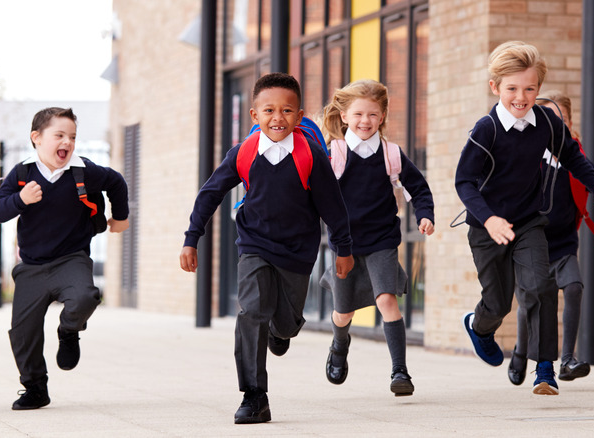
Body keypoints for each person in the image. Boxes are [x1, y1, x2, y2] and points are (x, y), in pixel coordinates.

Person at [454, 41, 594, 396]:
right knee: (499, 302)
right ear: (495, 87)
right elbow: (464, 182)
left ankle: (545, 370)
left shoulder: (547, 122)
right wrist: (489, 220)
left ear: (538, 87)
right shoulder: (486, 130)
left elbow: (573, 157)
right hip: (488, 228)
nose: (521, 97)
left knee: (541, 288)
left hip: (529, 222)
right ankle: (479, 325)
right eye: (512, 89)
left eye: (530, 88)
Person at [179, 72, 354, 424]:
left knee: (286, 324)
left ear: (299, 115)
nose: (278, 118)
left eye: (287, 111)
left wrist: (343, 248)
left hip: (297, 252)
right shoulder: (243, 153)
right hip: (254, 244)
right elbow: (210, 193)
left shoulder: (311, 155)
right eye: (269, 110)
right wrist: (191, 238)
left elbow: (333, 207)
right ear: (254, 116)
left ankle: (279, 331)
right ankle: (254, 395)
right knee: (251, 311)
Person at [0, 107, 130, 410]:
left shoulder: (84, 172)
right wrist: (20, 199)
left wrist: (120, 217)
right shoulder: (22, 174)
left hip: (71, 259)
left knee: (85, 297)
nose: (67, 142)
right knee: (22, 333)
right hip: (31, 267)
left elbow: (116, 181)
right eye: (59, 135)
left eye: (73, 137)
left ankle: (69, 330)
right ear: (36, 138)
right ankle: (35, 388)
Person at [507, 90, 594, 386]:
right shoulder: (529, 157)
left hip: (564, 243)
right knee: (530, 303)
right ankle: (519, 351)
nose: (556, 126)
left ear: (569, 123)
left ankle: (566, 359)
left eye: (562, 120)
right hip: (531, 244)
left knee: (575, 287)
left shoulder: (574, 158)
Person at [318, 79, 435, 396]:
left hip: (383, 240)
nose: (365, 121)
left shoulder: (391, 154)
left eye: (372, 114)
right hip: (346, 245)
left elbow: (418, 189)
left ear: (382, 116)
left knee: (387, 300)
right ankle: (339, 345)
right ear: (344, 116)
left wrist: (425, 215)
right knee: (344, 313)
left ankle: (400, 371)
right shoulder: (333, 154)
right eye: (357, 114)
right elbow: (313, 193)